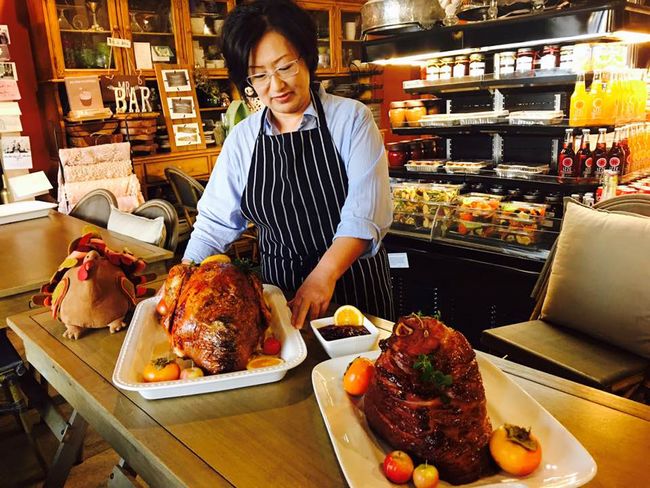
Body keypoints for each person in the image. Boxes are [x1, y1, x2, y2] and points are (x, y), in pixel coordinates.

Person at [183, 0, 394, 328]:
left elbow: (365, 215)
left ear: (308, 57)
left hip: (355, 297)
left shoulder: (351, 119)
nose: (276, 86)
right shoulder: (243, 139)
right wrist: (182, 282)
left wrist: (323, 276)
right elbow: (213, 226)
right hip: (279, 304)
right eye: (259, 76)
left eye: (285, 67)